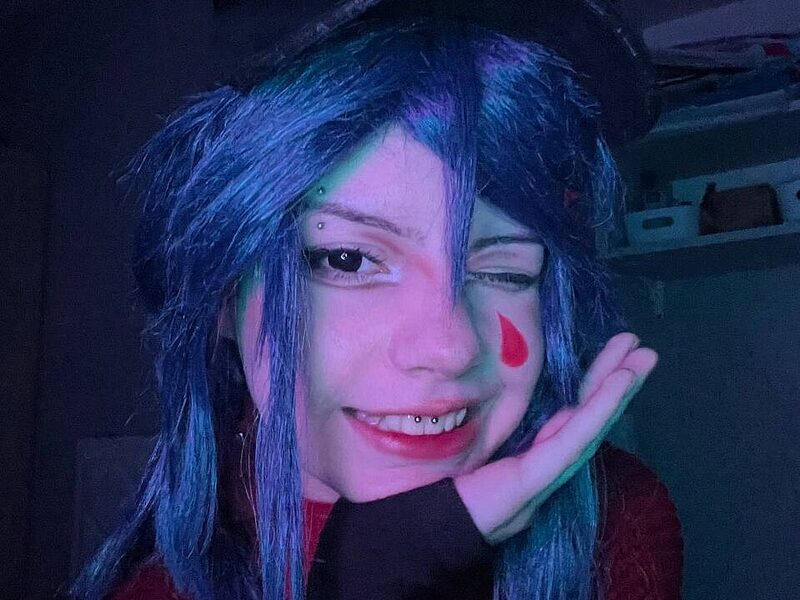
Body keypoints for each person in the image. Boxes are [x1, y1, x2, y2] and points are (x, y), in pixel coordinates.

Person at [72, 1, 683, 598]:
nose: (449, 348)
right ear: (223, 294)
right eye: (347, 259)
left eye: (504, 271)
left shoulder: (615, 525)